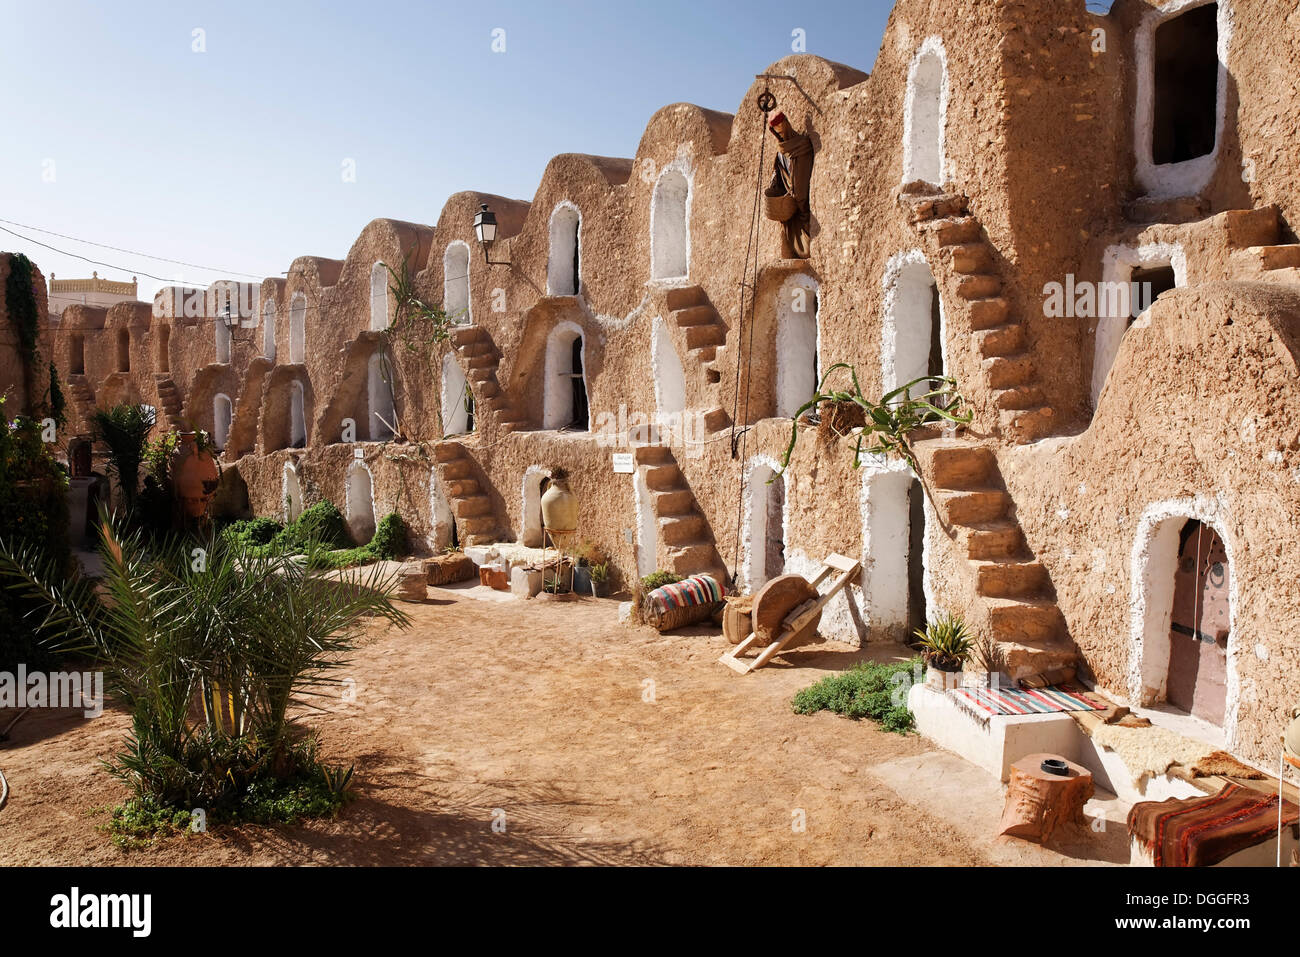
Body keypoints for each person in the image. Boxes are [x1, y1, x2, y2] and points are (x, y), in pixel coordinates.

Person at [764, 112, 814, 259]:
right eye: (775, 128)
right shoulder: (781, 152)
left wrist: (797, 193)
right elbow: (779, 173)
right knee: (790, 224)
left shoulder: (801, 144)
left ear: (785, 124)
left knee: (803, 213)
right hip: (789, 199)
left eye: (780, 125)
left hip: (800, 195)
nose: (778, 130)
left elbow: (802, 174)